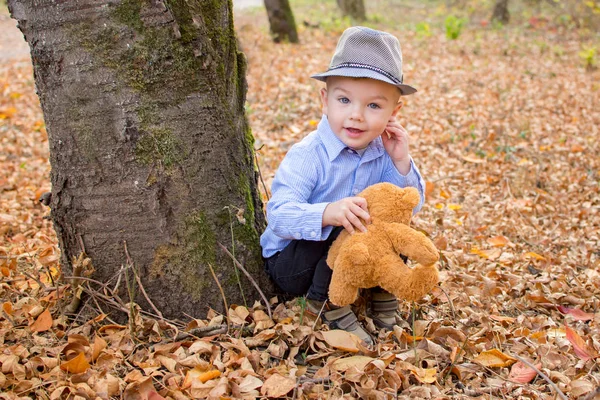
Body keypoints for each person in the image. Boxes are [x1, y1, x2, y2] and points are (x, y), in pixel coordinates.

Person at [260, 26, 426, 346]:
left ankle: (384, 293)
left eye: (374, 106)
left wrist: (401, 162)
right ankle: (327, 305)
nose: (356, 116)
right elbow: (279, 216)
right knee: (347, 220)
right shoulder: (309, 155)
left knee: (391, 220)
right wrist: (327, 212)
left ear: (394, 111)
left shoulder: (383, 152)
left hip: (350, 261)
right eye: (345, 99)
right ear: (325, 99)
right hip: (295, 265)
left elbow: (410, 206)